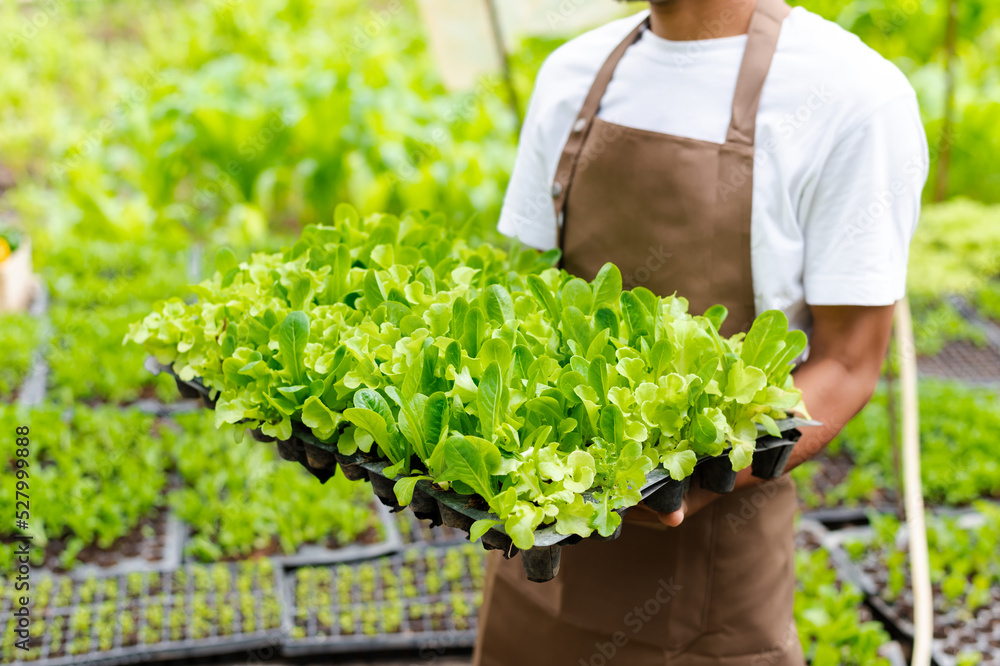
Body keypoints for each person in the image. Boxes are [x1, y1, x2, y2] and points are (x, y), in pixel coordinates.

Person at [472, 0, 928, 663]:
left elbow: (849, 362)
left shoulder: (853, 98)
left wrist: (690, 477)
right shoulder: (572, 73)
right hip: (535, 555)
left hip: (710, 587)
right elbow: (521, 304)